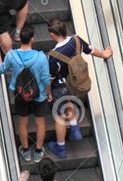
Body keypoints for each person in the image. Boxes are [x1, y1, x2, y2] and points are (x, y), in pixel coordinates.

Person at [47, 19, 113, 158]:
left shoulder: (53, 55)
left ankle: (61, 148)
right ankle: (74, 127)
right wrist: (103, 54)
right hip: (75, 84)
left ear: (52, 35)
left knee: (59, 117)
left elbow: (50, 78)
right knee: (69, 102)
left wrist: (49, 93)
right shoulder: (76, 40)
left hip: (61, 86)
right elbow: (90, 49)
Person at [0, 24, 52, 163]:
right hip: (39, 95)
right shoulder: (41, 57)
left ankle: (26, 150)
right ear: (32, 39)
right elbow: (46, 79)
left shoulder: (11, 55)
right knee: (41, 123)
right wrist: (49, 93)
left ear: (19, 39)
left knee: (23, 123)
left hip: (21, 95)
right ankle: (38, 151)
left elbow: (1, 69)